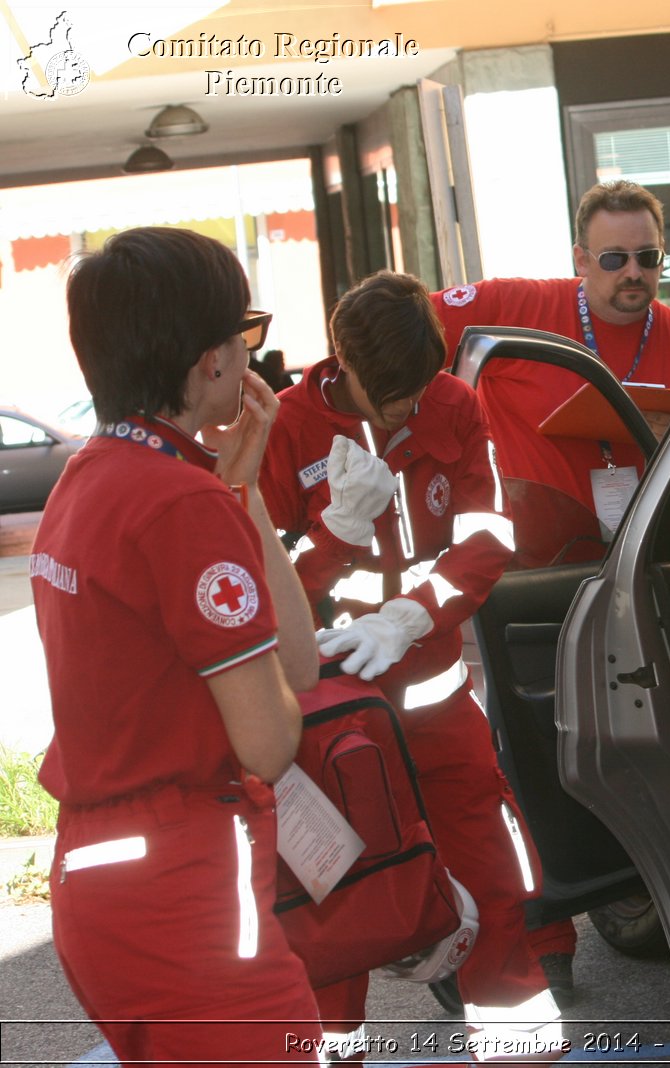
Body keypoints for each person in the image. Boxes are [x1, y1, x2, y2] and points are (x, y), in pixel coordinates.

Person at [32, 226, 324, 1063]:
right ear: (210, 361)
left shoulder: (94, 475)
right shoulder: (176, 502)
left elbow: (293, 664)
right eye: (246, 334)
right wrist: (220, 498)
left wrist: (241, 490)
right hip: (182, 888)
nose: (251, 359)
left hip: (115, 877)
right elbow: (270, 741)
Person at [259, 270, 561, 1062]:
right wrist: (334, 534)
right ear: (341, 362)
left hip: (436, 707)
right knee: (332, 913)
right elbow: (258, 590)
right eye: (388, 394)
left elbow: (488, 533)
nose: (403, 410)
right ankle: (333, 1055)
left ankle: (521, 1048)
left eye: (415, 391)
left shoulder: (452, 405)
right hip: (330, 727)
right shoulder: (286, 431)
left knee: (494, 887)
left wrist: (414, 614)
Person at [430, 179, 670, 568]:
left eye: (648, 257)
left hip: (634, 568)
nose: (633, 271)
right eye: (615, 259)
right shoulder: (514, 306)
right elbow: (394, 337)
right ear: (581, 260)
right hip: (523, 572)